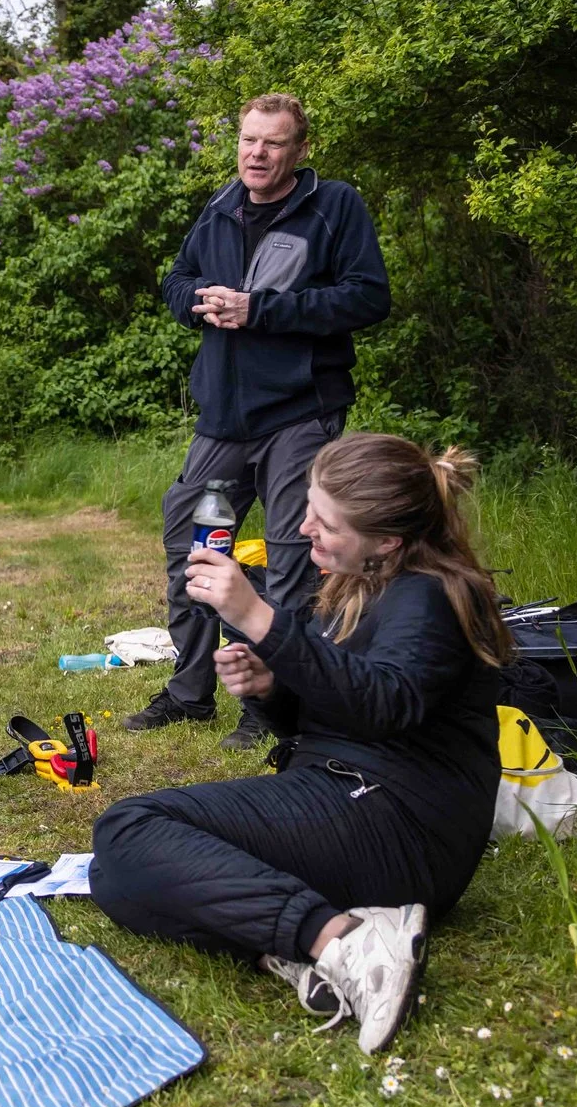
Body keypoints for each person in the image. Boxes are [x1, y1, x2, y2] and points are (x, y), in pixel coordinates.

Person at [86, 434, 509, 1054]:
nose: (305, 526)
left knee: (131, 828)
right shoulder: (349, 586)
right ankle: (304, 949)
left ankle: (343, 942)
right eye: (310, 506)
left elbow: (386, 704)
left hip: (401, 824)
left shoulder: (430, 596)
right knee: (115, 881)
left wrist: (261, 618)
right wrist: (270, 689)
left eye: (327, 522)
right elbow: (328, 715)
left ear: (387, 541)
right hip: (347, 794)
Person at [131, 93, 391, 748]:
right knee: (191, 544)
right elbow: (176, 278)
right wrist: (196, 302)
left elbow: (368, 296)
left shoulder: (333, 207)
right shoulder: (220, 208)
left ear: (299, 150)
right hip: (223, 417)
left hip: (300, 413)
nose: (257, 153)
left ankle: (270, 701)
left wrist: (262, 309)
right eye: (249, 140)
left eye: (273, 143)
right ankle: (190, 693)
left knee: (291, 558)